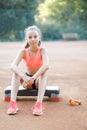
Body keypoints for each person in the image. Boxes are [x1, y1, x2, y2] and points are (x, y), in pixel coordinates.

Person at [7, 25, 49, 116]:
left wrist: (34, 78)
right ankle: (12, 103)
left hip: (37, 80)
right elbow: (12, 65)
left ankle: (38, 104)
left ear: (39, 38)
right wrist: (24, 77)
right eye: (30, 37)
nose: (33, 39)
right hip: (27, 81)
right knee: (16, 72)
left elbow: (46, 65)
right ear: (26, 39)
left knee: (45, 72)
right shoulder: (23, 51)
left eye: (35, 37)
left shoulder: (42, 51)